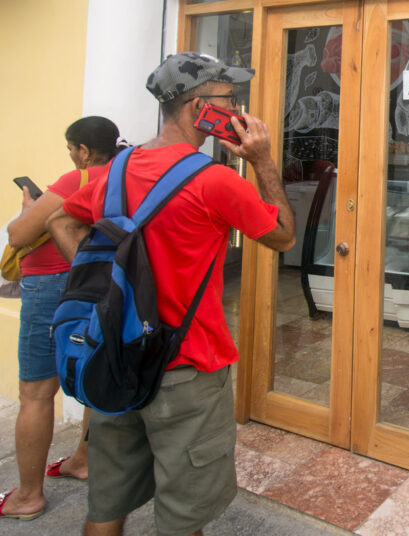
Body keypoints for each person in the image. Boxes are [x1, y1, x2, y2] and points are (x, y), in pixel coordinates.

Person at [47, 52, 295, 536]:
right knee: (184, 518)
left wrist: (107, 282)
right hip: (187, 369)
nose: (237, 107)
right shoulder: (216, 181)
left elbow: (60, 218)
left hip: (117, 354)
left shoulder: (115, 170)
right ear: (198, 109)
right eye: (228, 98)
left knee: (105, 507)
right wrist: (263, 160)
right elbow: (283, 235)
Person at [0, 117, 126, 521]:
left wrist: (29, 208)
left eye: (72, 148)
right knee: (92, 372)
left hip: (55, 287)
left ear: (85, 151)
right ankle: (83, 459)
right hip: (101, 283)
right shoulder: (125, 175)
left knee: (36, 392)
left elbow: (20, 234)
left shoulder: (77, 179)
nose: (70, 155)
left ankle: (28, 496)